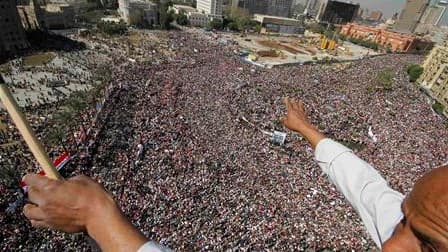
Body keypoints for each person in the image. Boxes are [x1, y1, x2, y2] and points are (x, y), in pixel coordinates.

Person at [22, 98, 448, 251]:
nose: (392, 244)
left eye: (428, 247)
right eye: (405, 221)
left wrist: (99, 217)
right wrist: (307, 131)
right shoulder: (412, 225)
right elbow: (371, 189)